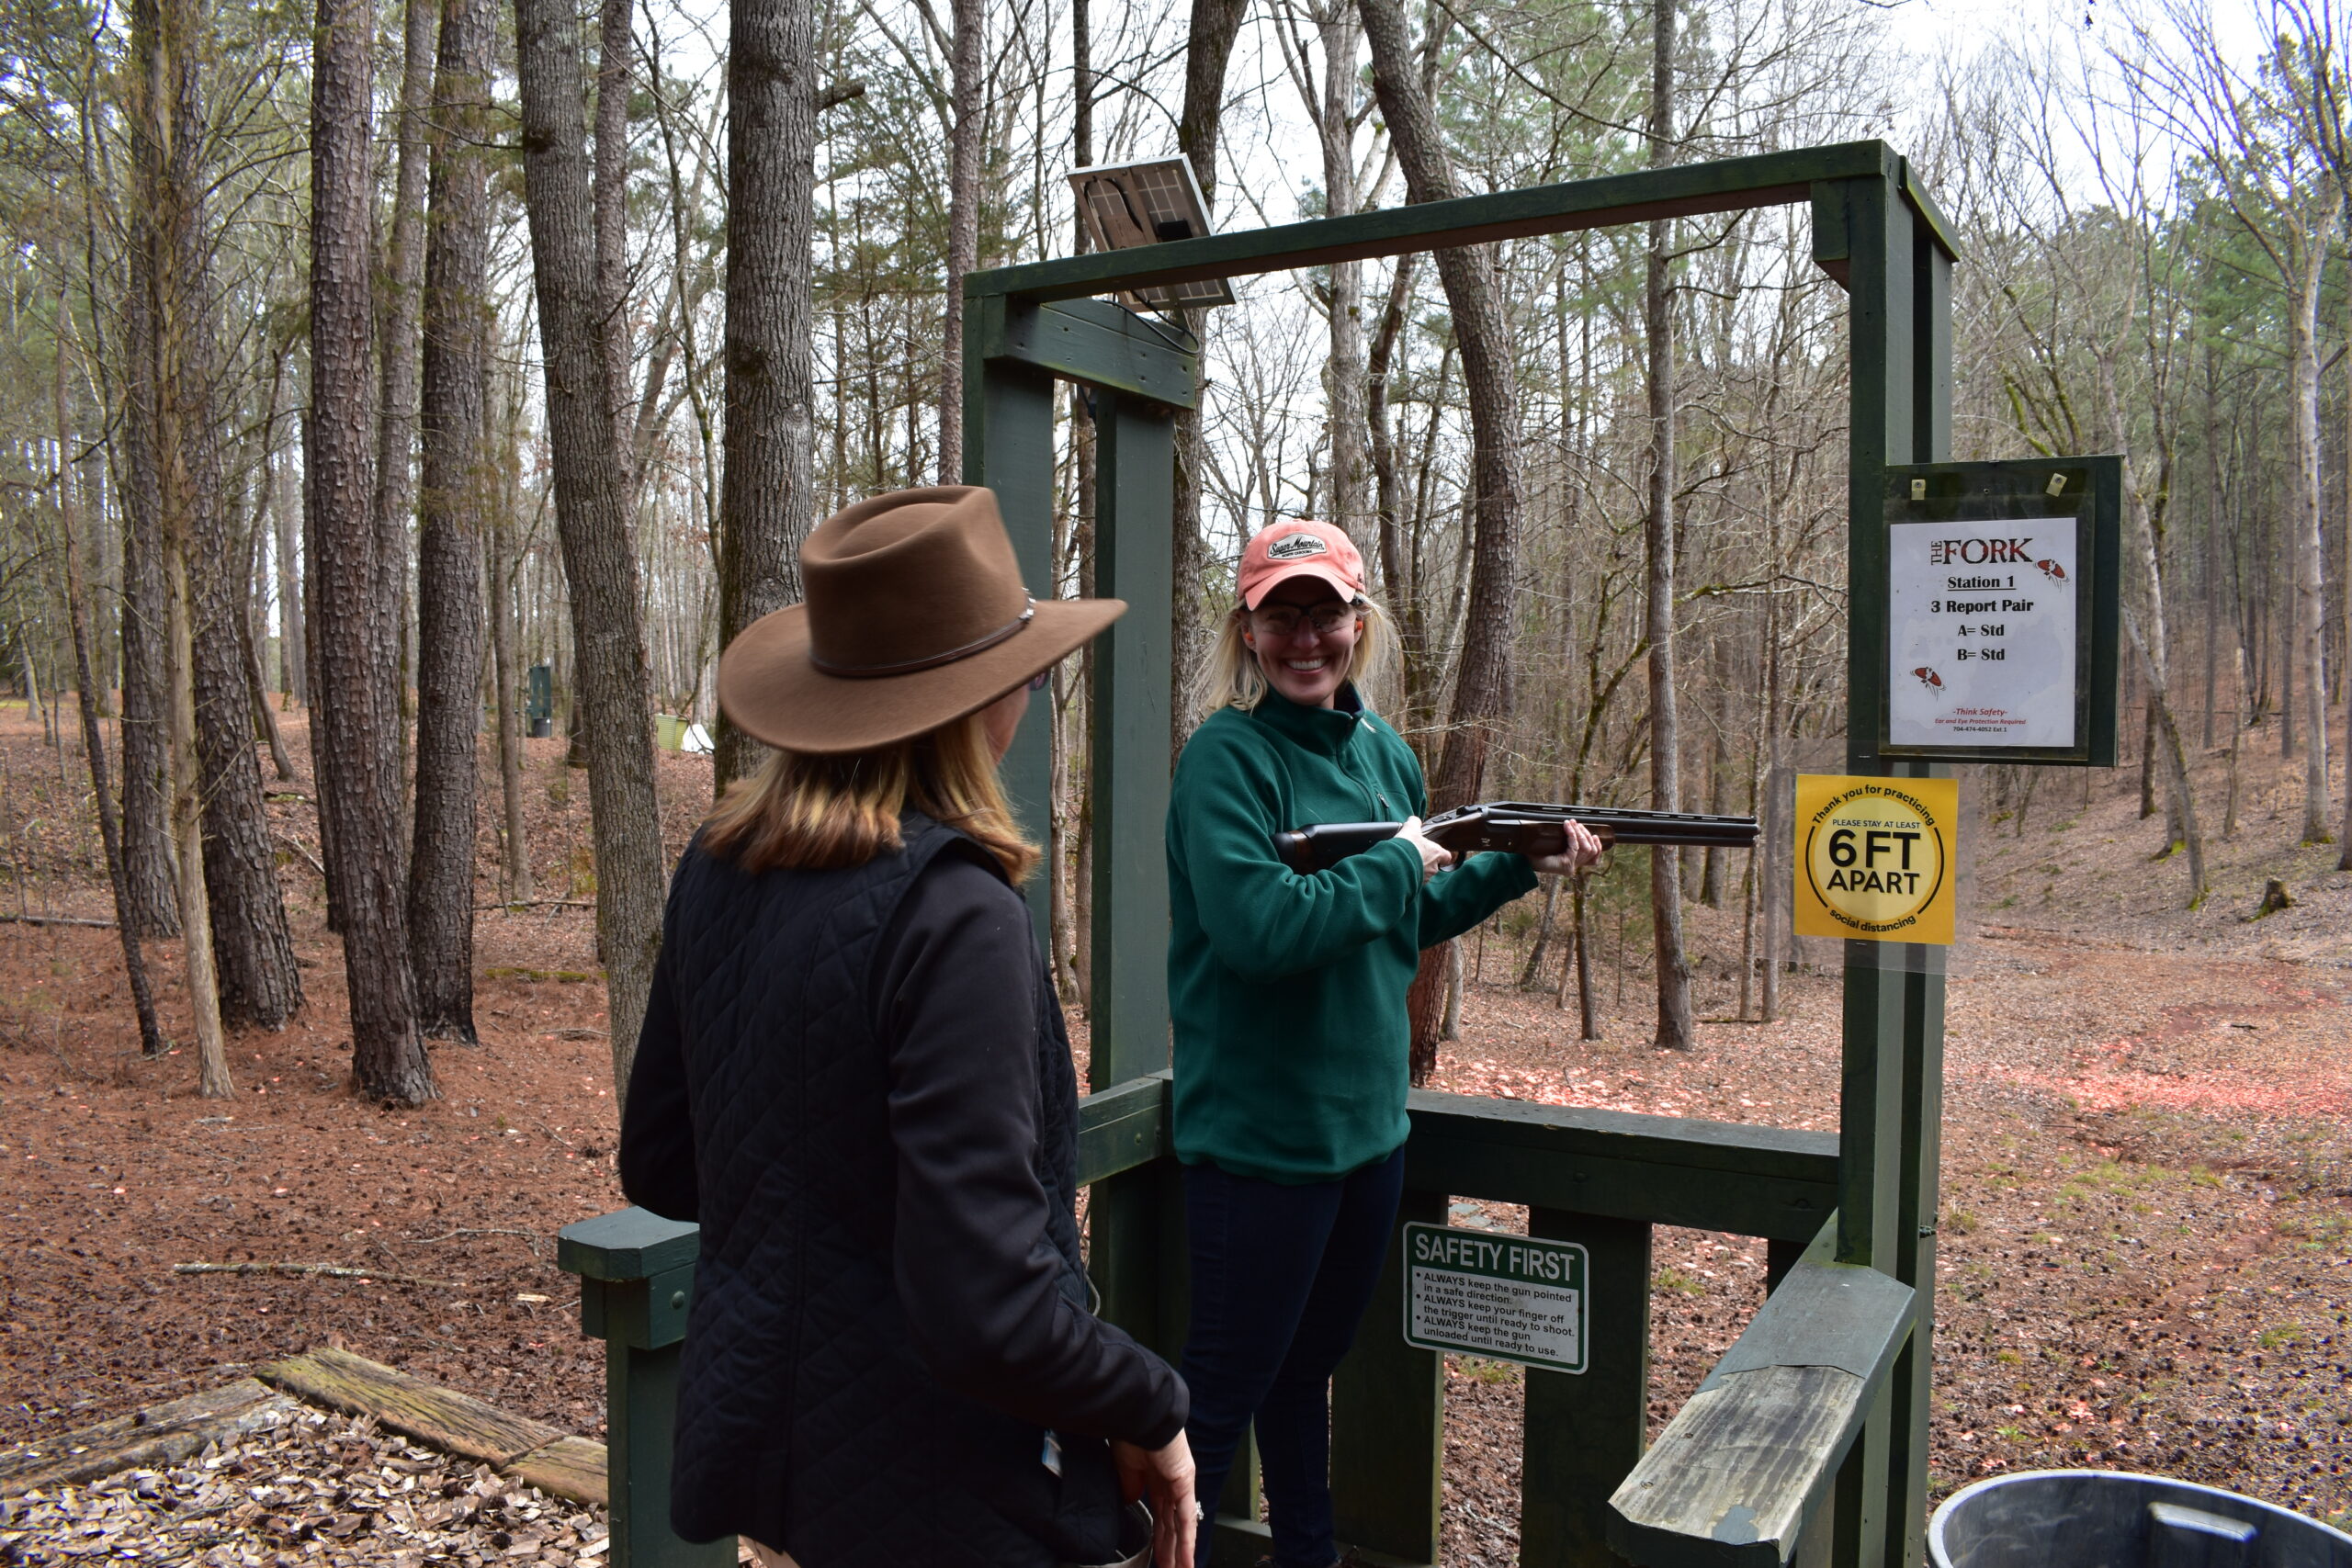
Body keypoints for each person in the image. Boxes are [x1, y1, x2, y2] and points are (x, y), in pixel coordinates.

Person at [620, 486, 1198, 1568]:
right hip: (946, 1490)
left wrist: (829, 1238)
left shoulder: (719, 865)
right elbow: (983, 1304)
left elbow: (664, 1162)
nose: (1030, 689)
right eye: (1023, 669)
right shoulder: (955, 913)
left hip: (790, 1460)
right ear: (980, 698)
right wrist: (1152, 1405)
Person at [1164, 520, 1601, 1568]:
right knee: (1216, 1401)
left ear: (1359, 624)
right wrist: (1400, 864)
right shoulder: (1226, 759)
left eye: (1326, 613)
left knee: (1308, 1370)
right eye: (1283, 614)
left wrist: (1517, 867)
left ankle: (1304, 1554)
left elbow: (1401, 920)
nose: (1305, 637)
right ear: (1249, 628)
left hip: (1367, 1137)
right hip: (1261, 1143)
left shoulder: (1384, 754)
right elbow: (1260, 931)